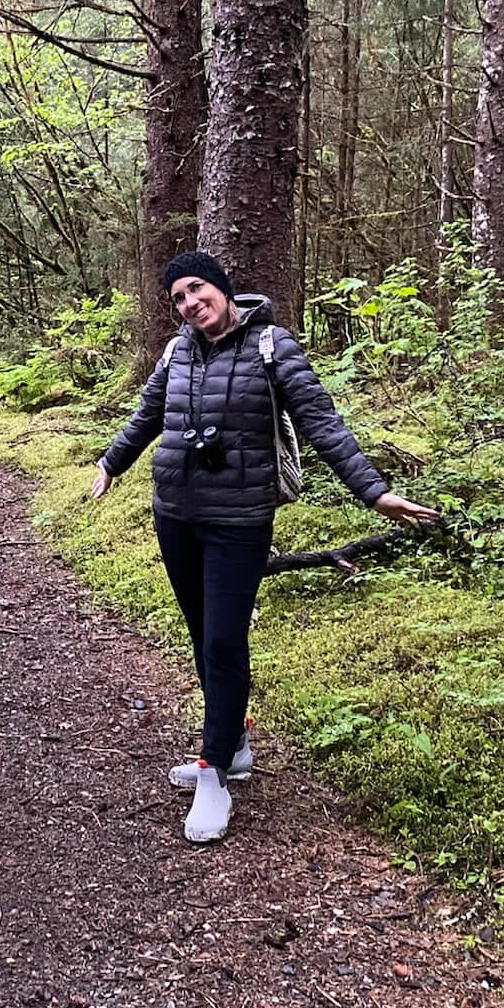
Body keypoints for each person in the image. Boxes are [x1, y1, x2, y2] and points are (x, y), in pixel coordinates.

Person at [92, 251, 436, 845]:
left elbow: (322, 422)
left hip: (240, 521)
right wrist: (111, 462)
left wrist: (374, 493)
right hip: (175, 515)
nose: (189, 303)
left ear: (223, 290)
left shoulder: (273, 347)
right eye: (177, 297)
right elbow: (149, 415)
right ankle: (236, 744)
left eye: (197, 289)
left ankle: (214, 771)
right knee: (204, 636)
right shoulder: (177, 351)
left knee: (225, 639)